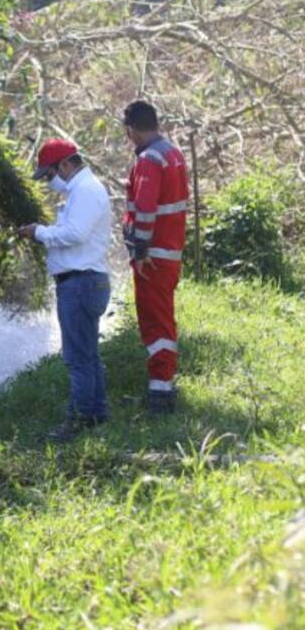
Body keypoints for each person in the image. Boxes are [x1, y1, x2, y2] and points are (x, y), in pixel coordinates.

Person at [18, 138, 113, 443]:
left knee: (77, 358)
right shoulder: (81, 190)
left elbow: (75, 233)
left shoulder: (85, 190)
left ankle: (80, 420)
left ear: (65, 165)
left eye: (48, 175)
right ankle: (97, 415)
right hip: (85, 281)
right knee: (89, 355)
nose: (49, 182)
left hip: (81, 283)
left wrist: (40, 233)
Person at [120, 99, 189, 414]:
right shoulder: (172, 154)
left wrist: (140, 249)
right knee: (164, 318)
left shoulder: (148, 159)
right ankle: (163, 386)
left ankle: (160, 395)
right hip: (170, 252)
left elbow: (146, 209)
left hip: (153, 257)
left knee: (154, 321)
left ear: (131, 129)